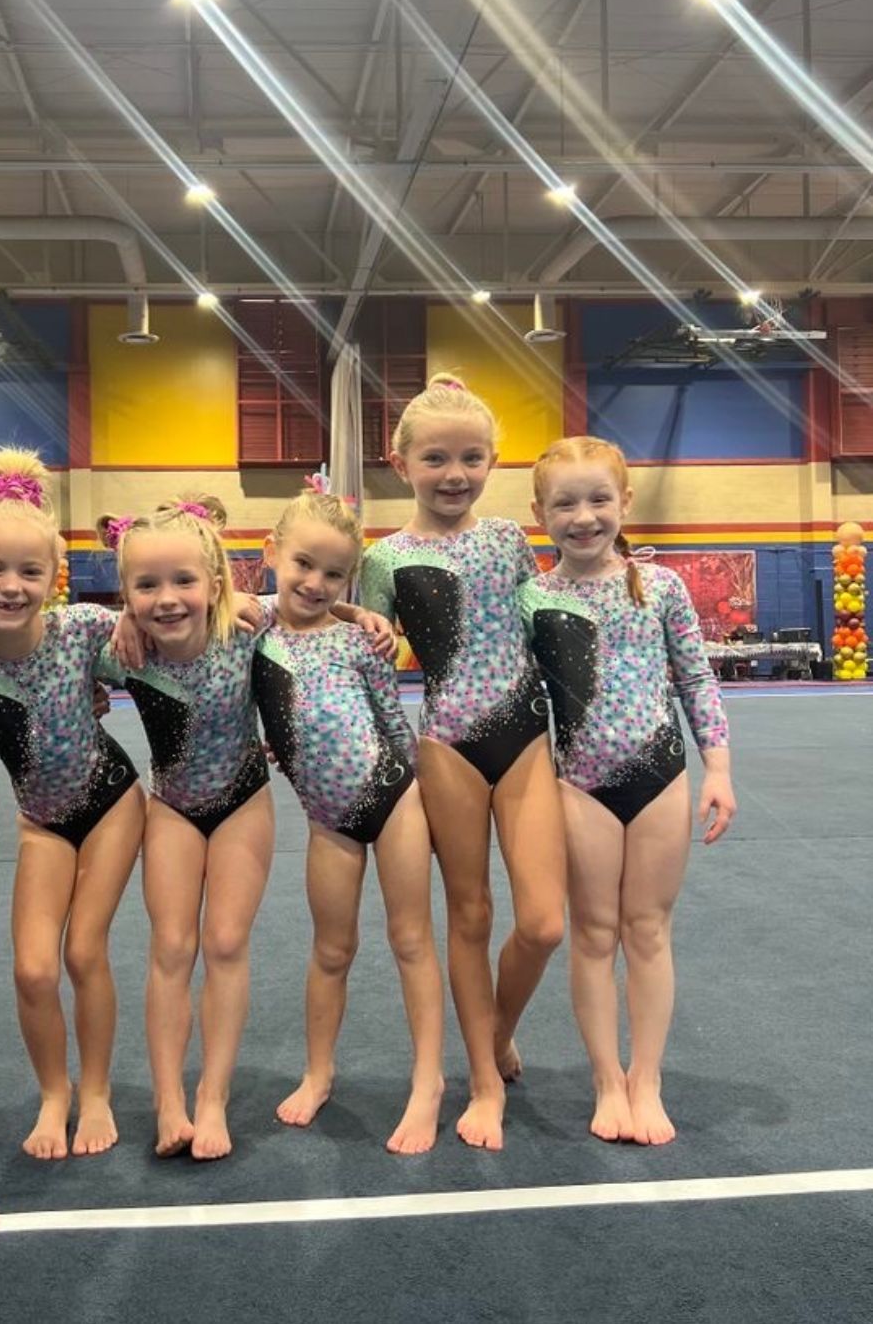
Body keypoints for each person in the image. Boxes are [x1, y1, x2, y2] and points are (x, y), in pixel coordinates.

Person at [360, 374, 567, 1151]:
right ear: (400, 460)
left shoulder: (510, 539)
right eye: (437, 458)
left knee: (544, 922)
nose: (455, 474)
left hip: (524, 734)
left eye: (473, 457)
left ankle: (494, 1029)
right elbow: (366, 658)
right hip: (446, 742)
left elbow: (545, 623)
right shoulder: (387, 559)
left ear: (493, 461)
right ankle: (483, 1079)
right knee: (472, 914)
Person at [523, 435, 735, 1144]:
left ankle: (647, 1077)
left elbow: (695, 679)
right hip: (579, 782)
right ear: (540, 512)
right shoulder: (533, 598)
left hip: (660, 776)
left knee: (647, 931)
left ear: (625, 503)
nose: (584, 517)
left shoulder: (663, 587)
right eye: (565, 503)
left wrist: (721, 769)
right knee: (593, 932)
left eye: (598, 500)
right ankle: (606, 1078)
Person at [0, 448, 145, 1159]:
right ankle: (53, 1093)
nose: (11, 586)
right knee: (33, 967)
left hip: (112, 802)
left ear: (54, 578)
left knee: (85, 950)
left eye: (30, 572)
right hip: (41, 818)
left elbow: (185, 620)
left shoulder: (83, 632)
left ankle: (94, 1093)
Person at [253, 487, 444, 1154]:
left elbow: (394, 726)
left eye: (335, 574)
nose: (316, 582)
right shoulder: (252, 635)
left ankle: (428, 1083)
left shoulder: (359, 641)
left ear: (349, 580)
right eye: (303, 564)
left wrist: (425, 804)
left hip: (394, 799)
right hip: (326, 818)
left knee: (411, 940)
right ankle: (318, 1072)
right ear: (271, 552)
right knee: (331, 950)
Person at [98, 497, 277, 1161]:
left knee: (226, 943)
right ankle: (170, 1101)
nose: (166, 599)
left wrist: (359, 613)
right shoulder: (121, 649)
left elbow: (317, 608)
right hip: (170, 804)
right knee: (171, 948)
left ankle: (213, 1099)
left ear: (217, 584)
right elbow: (27, 639)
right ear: (125, 593)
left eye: (183, 582)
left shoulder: (250, 628)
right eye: (144, 587)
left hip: (243, 801)